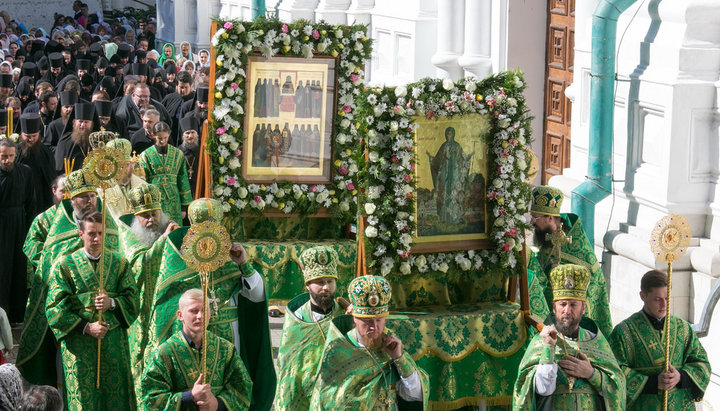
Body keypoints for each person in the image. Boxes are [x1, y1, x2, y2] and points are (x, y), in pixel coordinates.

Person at [147, 198, 276, 410]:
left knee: (227, 389)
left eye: (214, 229)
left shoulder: (231, 257)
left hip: (229, 338)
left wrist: (244, 265)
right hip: (189, 344)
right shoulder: (176, 259)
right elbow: (164, 308)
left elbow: (256, 296)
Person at [16, 169, 119, 386]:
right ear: (71, 198)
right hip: (68, 308)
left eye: (93, 195)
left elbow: (118, 259)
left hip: (101, 306)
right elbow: (44, 260)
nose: (90, 201)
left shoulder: (107, 223)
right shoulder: (53, 222)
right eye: (84, 197)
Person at [45, 210, 138, 410]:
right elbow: (54, 308)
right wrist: (87, 327)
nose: (96, 239)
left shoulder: (120, 263)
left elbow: (133, 300)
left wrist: (112, 303)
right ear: (81, 234)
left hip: (113, 343)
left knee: (115, 397)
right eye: (91, 234)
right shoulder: (65, 265)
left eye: (100, 233)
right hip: (79, 345)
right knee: (84, 399)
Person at [513, 264, 625, 410]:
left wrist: (591, 374)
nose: (567, 310)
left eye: (573, 304)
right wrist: (548, 349)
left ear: (583, 308)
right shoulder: (541, 342)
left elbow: (618, 387)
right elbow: (541, 389)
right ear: (554, 308)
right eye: (562, 304)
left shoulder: (596, 341)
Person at [311, 275, 428, 409]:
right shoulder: (338, 351)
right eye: (367, 320)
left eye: (379, 320)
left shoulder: (390, 345)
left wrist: (399, 358)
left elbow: (415, 394)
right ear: (354, 318)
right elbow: (327, 402)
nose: (374, 326)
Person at [608, 270, 711, 409]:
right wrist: (652, 382)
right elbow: (613, 372)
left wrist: (680, 377)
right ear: (643, 295)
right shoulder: (624, 332)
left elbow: (702, 364)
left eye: (667, 298)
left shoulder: (683, 329)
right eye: (657, 299)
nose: (664, 305)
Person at [140, 288, 253, 411]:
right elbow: (150, 398)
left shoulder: (225, 349)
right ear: (180, 315)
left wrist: (217, 404)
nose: (200, 316)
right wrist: (189, 397)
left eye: (204, 310)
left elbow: (242, 388)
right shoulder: (165, 353)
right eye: (194, 311)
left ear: (210, 313)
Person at [118, 183, 179, 400]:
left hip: (166, 303)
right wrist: (164, 241)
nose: (151, 219)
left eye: (154, 213)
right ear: (136, 216)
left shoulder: (169, 229)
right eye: (145, 215)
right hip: (141, 306)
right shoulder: (128, 234)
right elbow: (138, 266)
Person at [528, 185, 613, 337]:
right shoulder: (545, 238)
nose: (532, 223)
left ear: (550, 218)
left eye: (535, 218)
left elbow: (590, 281)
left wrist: (558, 273)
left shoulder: (577, 245)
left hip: (573, 317)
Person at [275, 246, 347, 410]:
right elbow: (288, 369)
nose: (326, 288)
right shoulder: (297, 319)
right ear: (307, 285)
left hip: (339, 395)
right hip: (304, 395)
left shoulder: (345, 317)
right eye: (320, 282)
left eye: (330, 281)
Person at [0, 138, 33, 323]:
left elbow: (30, 202)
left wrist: (29, 228)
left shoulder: (25, 172)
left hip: (19, 225)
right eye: (4, 156)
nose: (7, 160)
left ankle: (16, 314)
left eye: (11, 156)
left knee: (18, 268)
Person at [140, 121, 192, 223]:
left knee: (175, 227)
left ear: (169, 135)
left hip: (174, 199)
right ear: (153, 135)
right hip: (155, 199)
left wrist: (183, 207)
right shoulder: (145, 155)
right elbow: (143, 181)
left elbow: (183, 179)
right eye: (160, 138)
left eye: (165, 138)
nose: (163, 141)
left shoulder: (178, 154)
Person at [23, 174, 65, 278]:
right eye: (63, 191)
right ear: (54, 191)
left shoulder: (82, 218)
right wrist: (51, 262)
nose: (67, 196)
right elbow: (30, 244)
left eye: (71, 191)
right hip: (51, 272)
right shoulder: (42, 219)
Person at [429, 126, 472, 225]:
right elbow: (437, 160)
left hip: (455, 172)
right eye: (447, 133)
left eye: (450, 133)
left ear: (453, 134)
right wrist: (432, 159)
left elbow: (462, 160)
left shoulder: (457, 145)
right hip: (445, 173)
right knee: (444, 192)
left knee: (456, 192)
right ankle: (444, 217)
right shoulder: (443, 146)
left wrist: (467, 158)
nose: (449, 135)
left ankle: (457, 217)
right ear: (445, 134)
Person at [98, 137, 147, 222]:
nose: (122, 169)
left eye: (126, 165)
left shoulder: (144, 186)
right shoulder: (101, 190)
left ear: (131, 164)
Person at [16, 113, 56, 217]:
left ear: (39, 134)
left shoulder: (46, 153)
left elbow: (50, 179)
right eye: (27, 136)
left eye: (34, 136)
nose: (31, 139)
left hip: (40, 200)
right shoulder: (16, 152)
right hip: (20, 199)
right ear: (21, 134)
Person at [53, 102, 95, 174]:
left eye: (86, 122)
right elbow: (58, 169)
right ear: (74, 122)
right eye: (80, 121)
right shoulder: (65, 142)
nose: (83, 125)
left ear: (92, 124)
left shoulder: (98, 141)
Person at [178, 116, 199, 196]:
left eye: (193, 132)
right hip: (183, 191)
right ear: (182, 135)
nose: (190, 136)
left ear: (197, 134)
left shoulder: (202, 151)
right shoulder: (178, 152)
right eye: (187, 133)